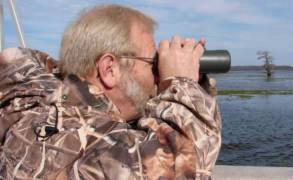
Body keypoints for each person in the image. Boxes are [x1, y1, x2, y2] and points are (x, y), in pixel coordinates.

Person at [0, 4, 221, 179]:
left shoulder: (71, 109)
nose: (158, 74)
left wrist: (194, 83)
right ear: (109, 69)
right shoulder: (53, 135)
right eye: (152, 63)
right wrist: (180, 82)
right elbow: (181, 168)